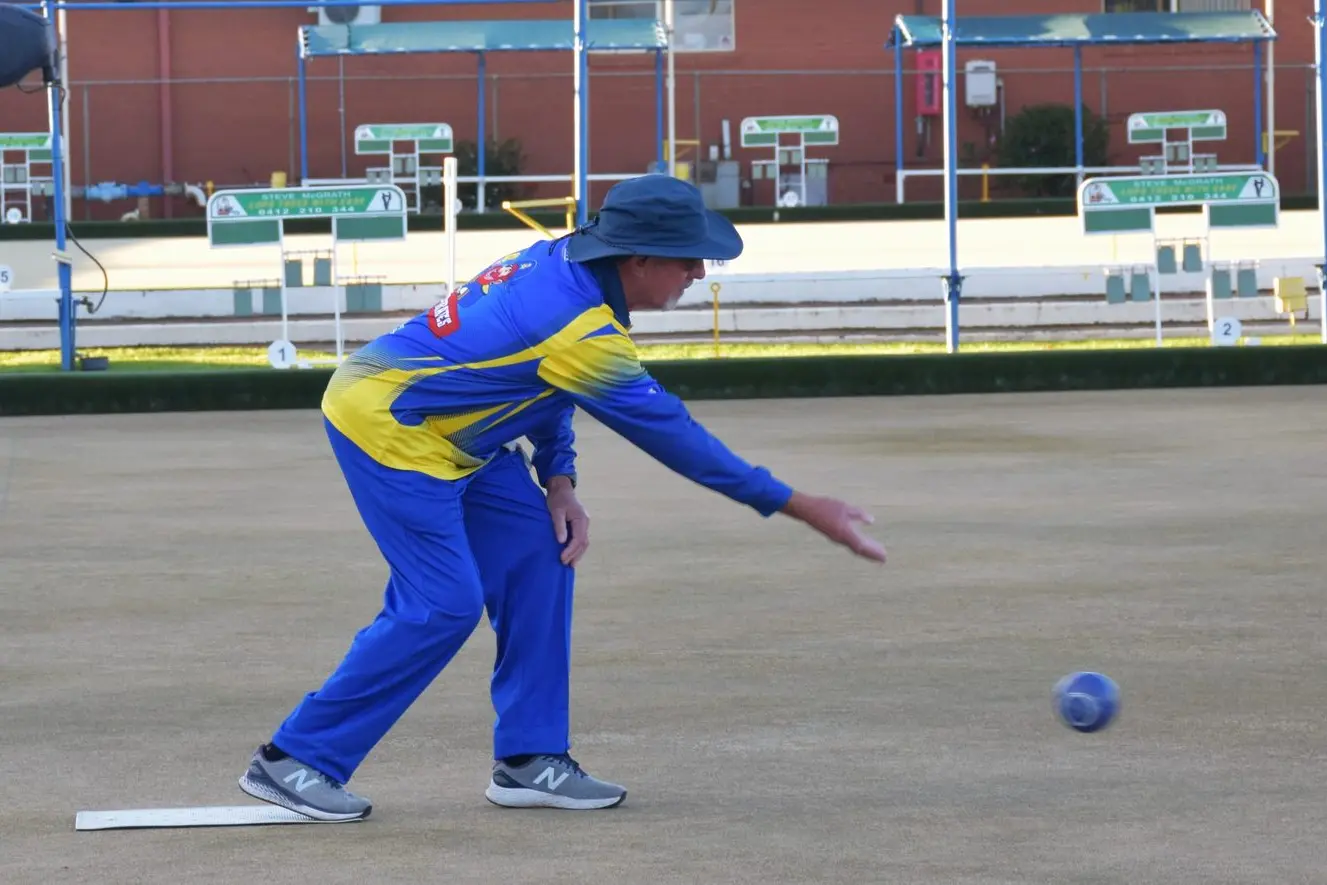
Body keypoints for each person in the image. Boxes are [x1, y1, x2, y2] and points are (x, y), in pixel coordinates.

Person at [237, 174, 886, 822]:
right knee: (442, 603)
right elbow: (677, 438)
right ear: (638, 259)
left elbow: (545, 384)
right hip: (387, 423)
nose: (698, 271)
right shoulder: (575, 324)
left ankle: (530, 758)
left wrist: (559, 481)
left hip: (458, 431)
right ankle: (295, 758)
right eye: (688, 258)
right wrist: (801, 505)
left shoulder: (565, 265)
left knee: (542, 553)